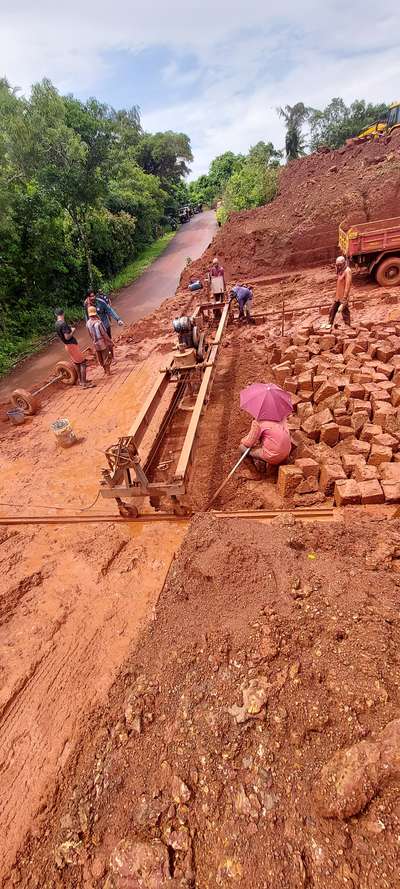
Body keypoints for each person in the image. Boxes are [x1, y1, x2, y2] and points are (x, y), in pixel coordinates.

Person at [54, 308, 95, 389]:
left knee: (77, 363)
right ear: (63, 314)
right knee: (82, 362)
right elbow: (67, 337)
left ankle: (81, 381)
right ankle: (83, 383)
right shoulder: (63, 324)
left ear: (56, 315)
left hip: (68, 346)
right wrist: (73, 330)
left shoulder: (56, 324)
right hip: (71, 345)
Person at [86, 305, 113, 375]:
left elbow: (90, 335)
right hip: (102, 343)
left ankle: (104, 370)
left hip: (95, 343)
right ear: (95, 313)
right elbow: (104, 334)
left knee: (100, 357)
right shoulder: (98, 323)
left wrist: (93, 341)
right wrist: (110, 342)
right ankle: (108, 371)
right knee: (106, 356)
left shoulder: (87, 323)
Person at [328, 256, 352, 328]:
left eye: (339, 265)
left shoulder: (347, 271)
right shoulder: (340, 270)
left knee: (345, 312)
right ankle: (329, 324)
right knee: (332, 310)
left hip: (343, 296)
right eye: (337, 265)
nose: (338, 266)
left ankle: (348, 326)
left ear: (344, 263)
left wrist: (344, 298)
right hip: (338, 296)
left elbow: (348, 285)